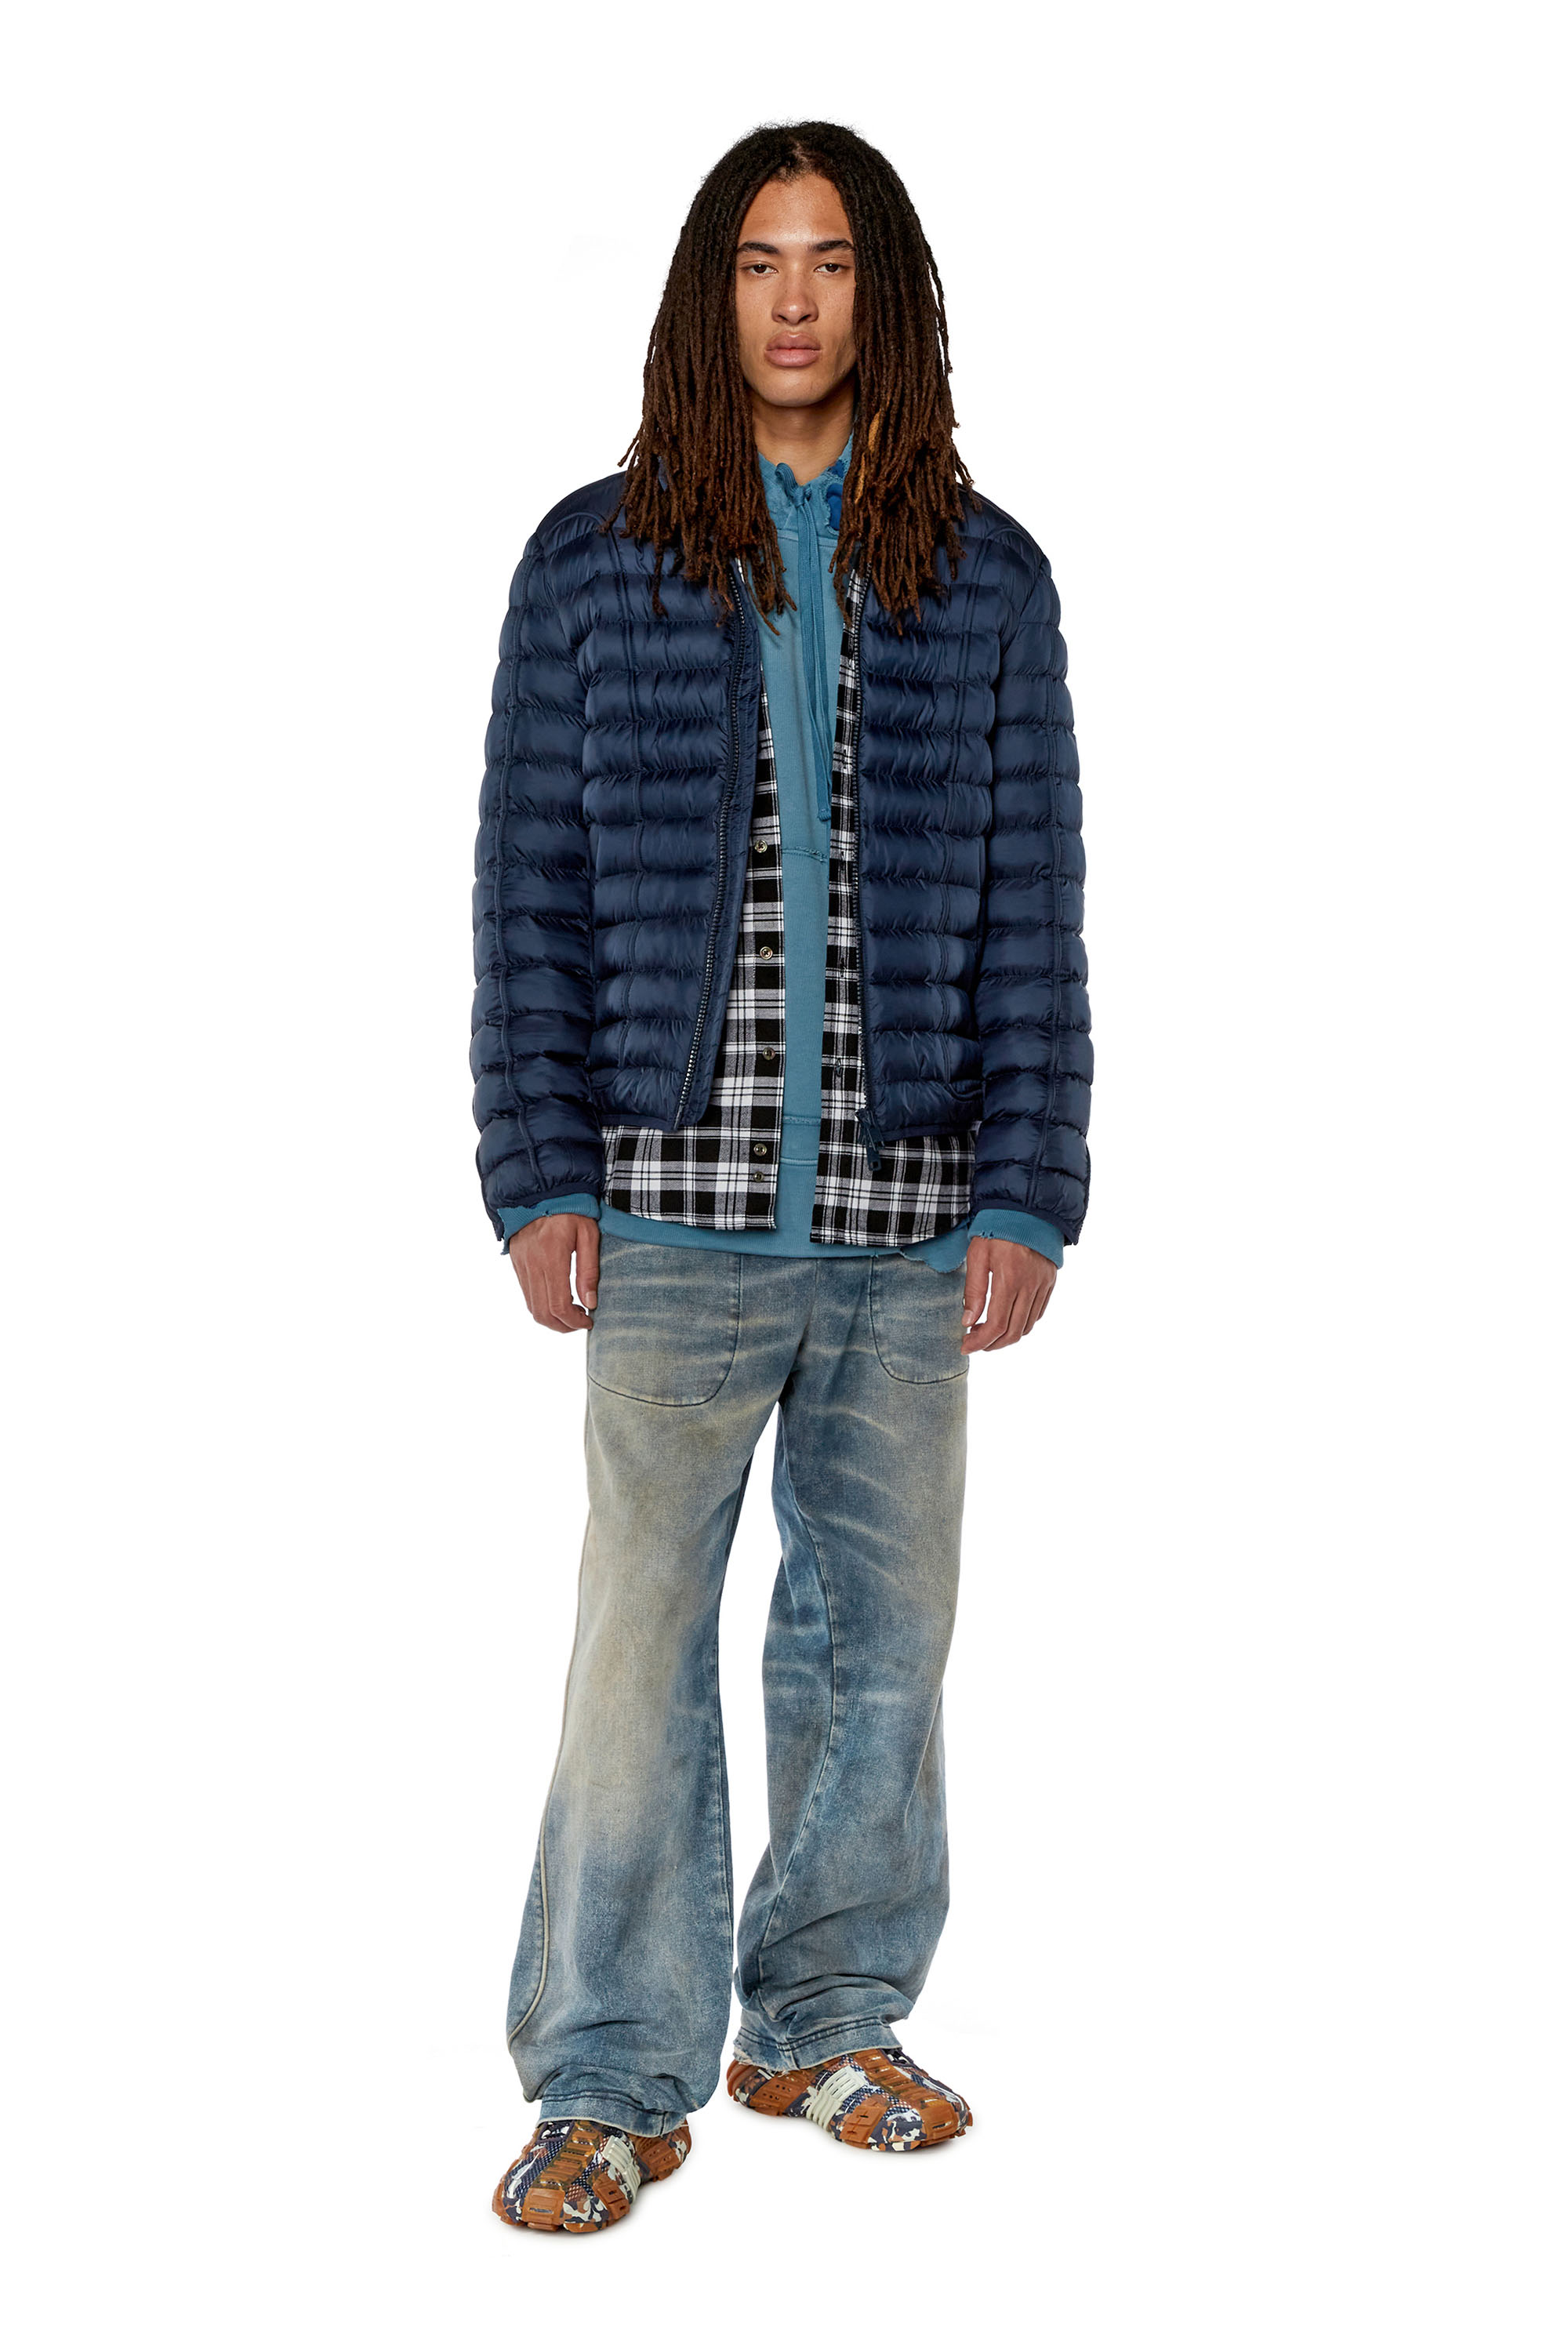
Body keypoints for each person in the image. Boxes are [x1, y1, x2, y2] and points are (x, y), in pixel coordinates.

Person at [471, 118, 1090, 2235]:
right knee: (635, 1650)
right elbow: (528, 890)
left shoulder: (985, 575)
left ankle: (823, 2020)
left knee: (879, 1648)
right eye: (758, 262)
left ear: (882, 294)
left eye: (830, 261)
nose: (796, 300)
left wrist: (1029, 1189)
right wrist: (537, 1168)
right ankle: (604, 2070)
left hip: (916, 1226)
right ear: (707, 297)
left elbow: (1033, 901)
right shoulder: (594, 559)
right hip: (666, 1207)